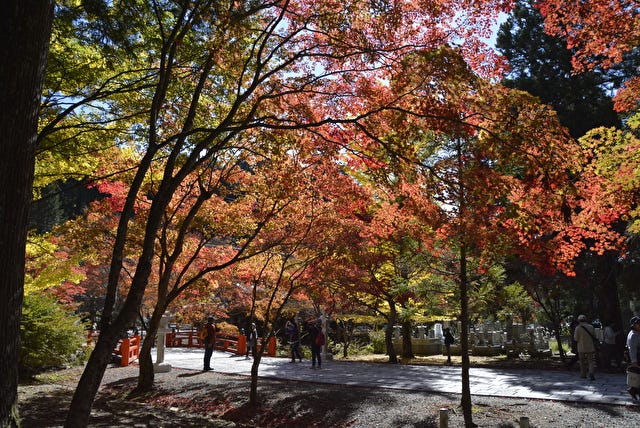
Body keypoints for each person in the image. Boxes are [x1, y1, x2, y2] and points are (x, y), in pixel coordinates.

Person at [574, 314, 597, 380]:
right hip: (590, 346)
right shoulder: (591, 327)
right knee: (591, 361)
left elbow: (575, 338)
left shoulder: (577, 328)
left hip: (581, 347)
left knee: (582, 361)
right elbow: (594, 336)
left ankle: (583, 374)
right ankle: (591, 373)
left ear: (579, 320)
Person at [626, 316, 640, 400]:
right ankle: (633, 390)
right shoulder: (633, 335)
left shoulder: (636, 333)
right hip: (637, 358)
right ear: (634, 325)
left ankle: (633, 390)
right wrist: (634, 361)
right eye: (638, 324)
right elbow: (632, 348)